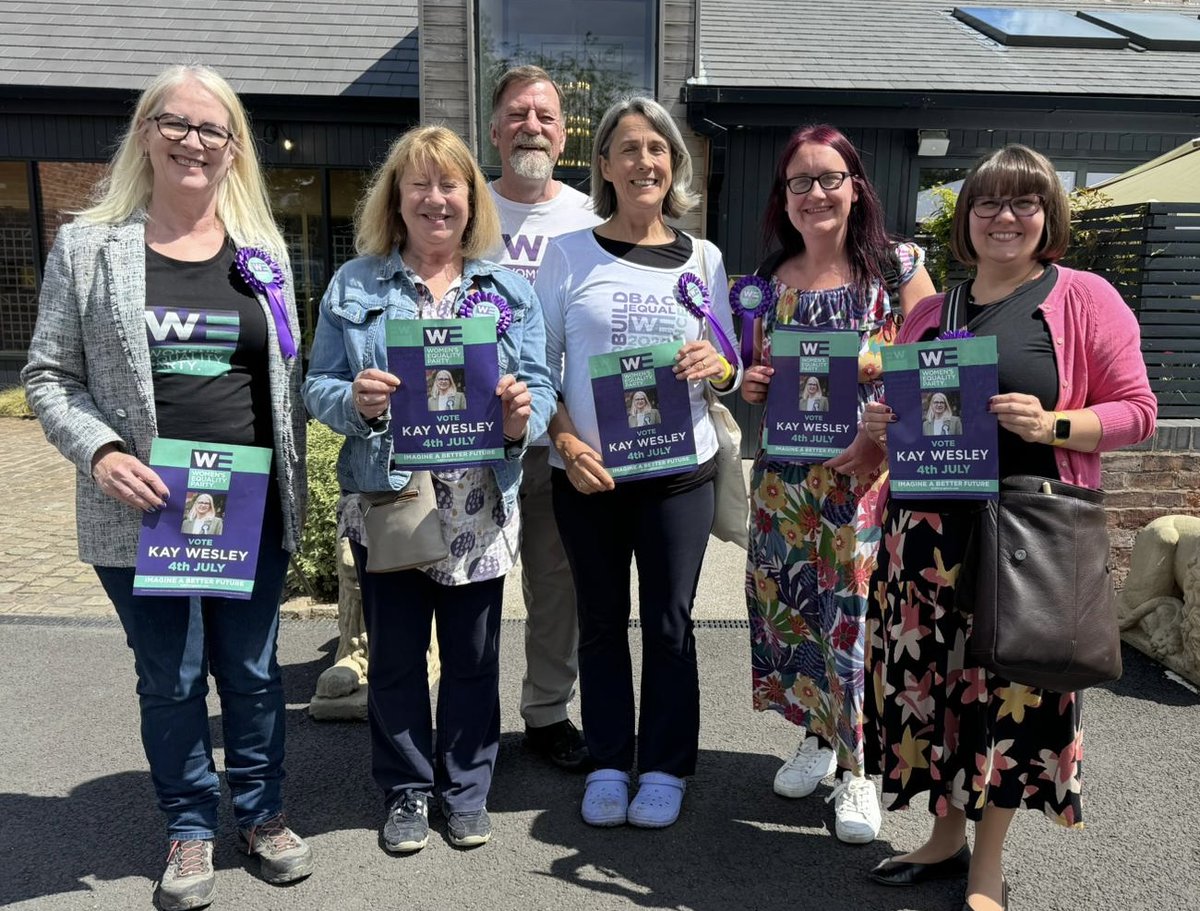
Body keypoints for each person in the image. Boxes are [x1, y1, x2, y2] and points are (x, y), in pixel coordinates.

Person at [21, 64, 311, 911]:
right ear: (145, 132)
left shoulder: (263, 250)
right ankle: (190, 824)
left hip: (248, 506)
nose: (193, 140)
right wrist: (102, 450)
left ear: (234, 149)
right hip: (143, 509)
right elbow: (47, 375)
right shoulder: (87, 246)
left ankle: (261, 813)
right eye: (175, 123)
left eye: (211, 129)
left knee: (253, 672)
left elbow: (282, 380)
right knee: (171, 675)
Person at [861, 144, 1155, 911]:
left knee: (1007, 698)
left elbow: (1138, 412)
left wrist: (1057, 422)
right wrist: (881, 421)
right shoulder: (931, 310)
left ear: (1048, 215)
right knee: (938, 693)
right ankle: (943, 837)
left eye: (1025, 202)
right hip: (925, 541)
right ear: (966, 218)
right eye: (988, 202)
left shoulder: (1084, 296)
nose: (1005, 216)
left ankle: (986, 866)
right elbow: (903, 426)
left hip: (1027, 533)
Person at [302, 125, 555, 854]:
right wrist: (357, 400)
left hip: (477, 502)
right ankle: (408, 787)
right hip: (391, 497)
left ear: (472, 201)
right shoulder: (357, 284)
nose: (436, 199)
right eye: (421, 185)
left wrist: (520, 417)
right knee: (396, 655)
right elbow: (315, 386)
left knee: (474, 658)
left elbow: (539, 384)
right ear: (397, 197)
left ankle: (466, 788)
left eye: (451, 186)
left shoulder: (507, 290)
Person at [536, 96, 740, 830]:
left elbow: (733, 367)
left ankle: (663, 763)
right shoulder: (568, 253)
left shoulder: (706, 258)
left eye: (658, 147)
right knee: (598, 620)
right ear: (604, 166)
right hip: (589, 476)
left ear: (673, 164)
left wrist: (717, 362)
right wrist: (564, 439)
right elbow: (539, 367)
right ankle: (607, 760)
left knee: (670, 621)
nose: (644, 160)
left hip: (679, 472)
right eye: (628, 148)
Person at [740, 124, 936, 844]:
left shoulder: (896, 268)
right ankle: (817, 739)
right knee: (791, 607)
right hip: (785, 481)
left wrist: (876, 366)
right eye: (800, 181)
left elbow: (940, 363)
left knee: (854, 614)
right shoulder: (766, 282)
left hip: (865, 472)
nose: (816, 193)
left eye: (830, 178)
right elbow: (757, 372)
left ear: (857, 186)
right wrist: (755, 384)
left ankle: (860, 765)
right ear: (783, 197)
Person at [486, 65, 603, 771]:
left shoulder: (588, 217)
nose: (533, 126)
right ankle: (464, 713)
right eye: (519, 114)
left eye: (547, 117)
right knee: (461, 578)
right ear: (494, 127)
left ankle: (546, 711)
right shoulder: (464, 205)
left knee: (555, 580)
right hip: (468, 431)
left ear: (564, 135)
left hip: (561, 429)